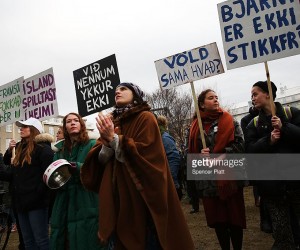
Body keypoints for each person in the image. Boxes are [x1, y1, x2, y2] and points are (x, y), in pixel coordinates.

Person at [80, 82, 194, 249]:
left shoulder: (145, 117)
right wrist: (106, 142)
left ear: (136, 94)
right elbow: (102, 160)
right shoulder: (111, 121)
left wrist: (114, 139)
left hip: (141, 194)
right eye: (116, 90)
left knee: (146, 238)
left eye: (124, 89)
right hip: (117, 194)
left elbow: (148, 154)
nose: (117, 91)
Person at [245, 80, 300, 249]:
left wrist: (285, 127)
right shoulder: (253, 124)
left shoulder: (292, 113)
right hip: (272, 187)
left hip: (296, 183)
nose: (252, 98)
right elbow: (250, 152)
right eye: (251, 95)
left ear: (267, 93)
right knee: (282, 235)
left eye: (255, 94)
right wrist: (268, 141)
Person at [188, 89, 246, 250]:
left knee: (234, 219)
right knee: (219, 221)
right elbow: (190, 154)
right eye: (211, 98)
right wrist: (201, 155)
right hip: (209, 181)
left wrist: (223, 155)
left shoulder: (229, 120)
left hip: (230, 179)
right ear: (202, 104)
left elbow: (241, 145)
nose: (215, 100)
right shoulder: (194, 127)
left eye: (216, 97)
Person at [49, 112, 105, 250]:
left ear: (81, 124)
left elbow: (97, 172)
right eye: (68, 121)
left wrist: (77, 167)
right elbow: (56, 176)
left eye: (76, 120)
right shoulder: (59, 150)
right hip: (64, 202)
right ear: (65, 127)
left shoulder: (93, 144)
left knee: (86, 241)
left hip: (86, 200)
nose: (72, 123)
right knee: (64, 241)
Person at [3, 117, 54, 250]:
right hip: (20, 203)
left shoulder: (43, 150)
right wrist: (9, 153)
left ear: (34, 130)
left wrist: (38, 194)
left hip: (36, 203)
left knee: (41, 240)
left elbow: (48, 177)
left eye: (25, 126)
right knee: (27, 241)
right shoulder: (19, 150)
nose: (21, 129)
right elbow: (10, 173)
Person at [241, 105, 273, 234]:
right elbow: (249, 141)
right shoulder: (247, 120)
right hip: (258, 160)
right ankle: (265, 220)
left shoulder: (273, 115)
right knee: (262, 189)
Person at [156, 115, 182, 200]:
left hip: (170, 173)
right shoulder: (158, 136)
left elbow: (174, 157)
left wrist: (172, 175)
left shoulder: (165, 137)